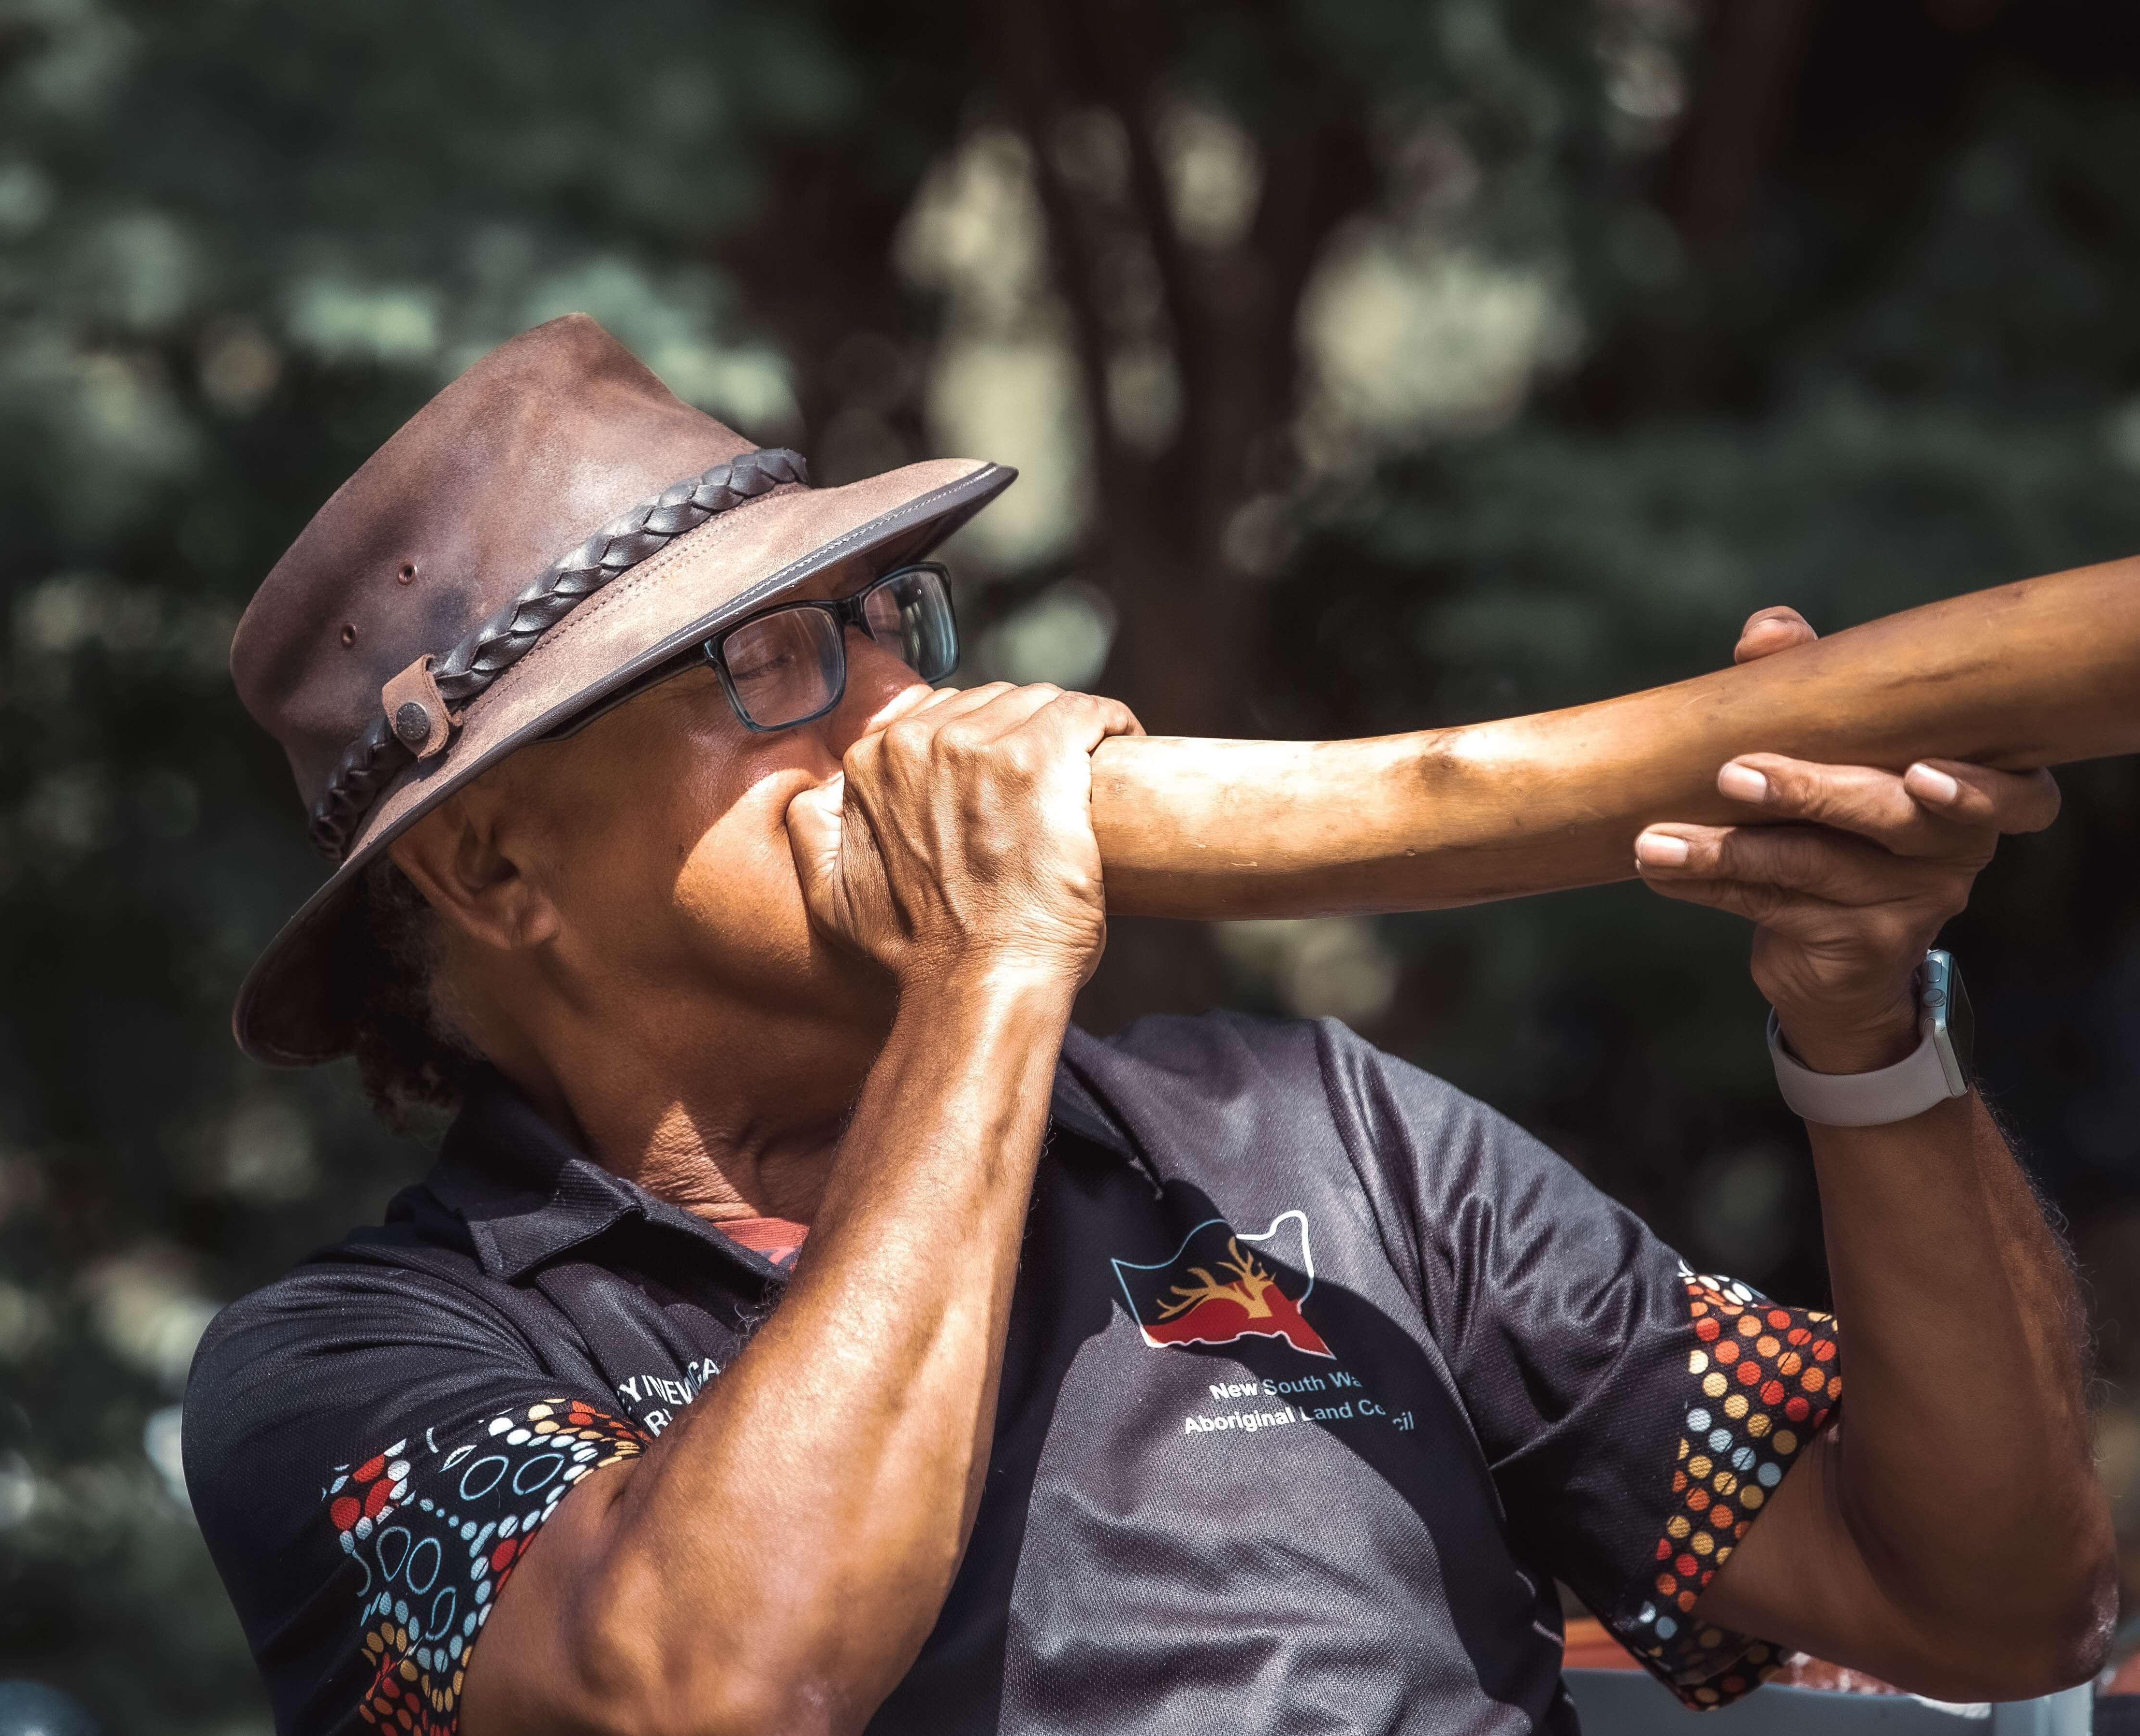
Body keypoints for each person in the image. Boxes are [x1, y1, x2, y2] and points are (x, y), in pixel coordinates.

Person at [184, 316, 2113, 1736]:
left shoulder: (1316, 1134)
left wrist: (1867, 1034)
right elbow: (707, 1689)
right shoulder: (352, 1365)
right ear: (499, 875)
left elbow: (2003, 1605)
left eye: (883, 621)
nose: (893, 705)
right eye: (766, 662)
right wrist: (992, 973)